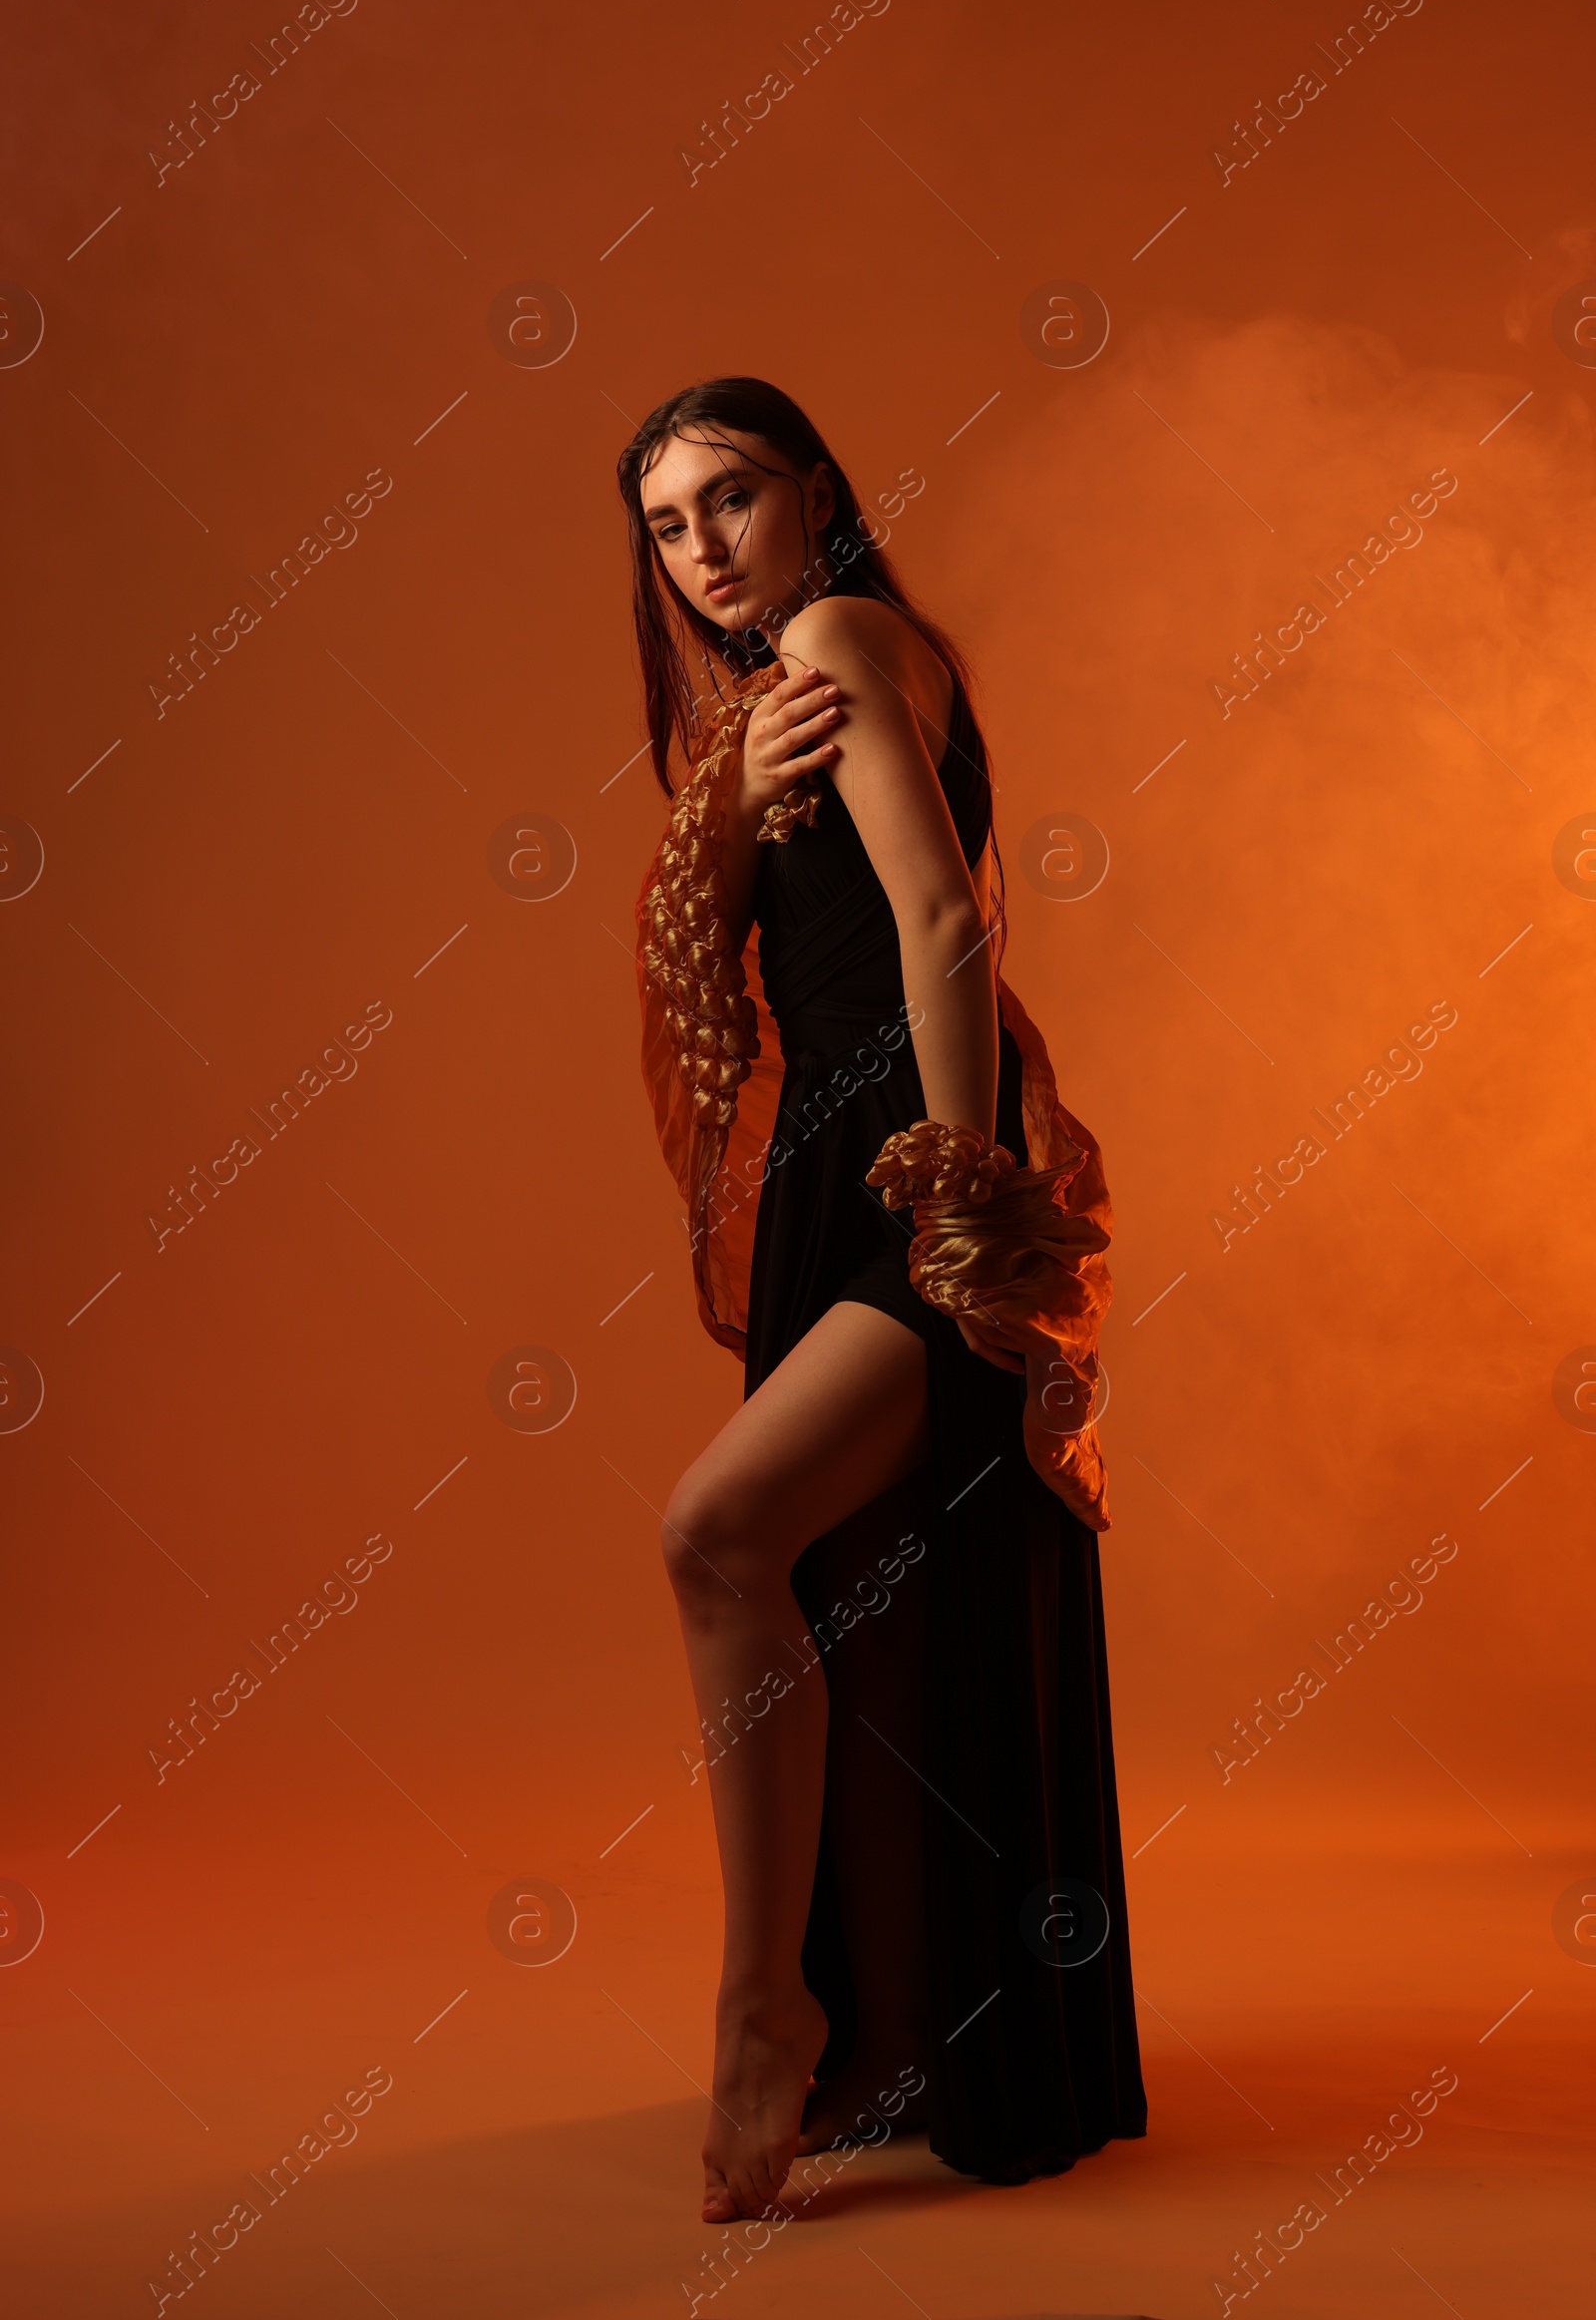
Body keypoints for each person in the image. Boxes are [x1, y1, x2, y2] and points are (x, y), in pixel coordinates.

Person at [619, 378, 1146, 2225]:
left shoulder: (840, 632)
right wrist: (725, 810)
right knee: (844, 1587)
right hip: (835, 1190)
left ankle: (768, 2005)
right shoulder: (767, 702)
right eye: (671, 527)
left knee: (718, 1535)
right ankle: (896, 2025)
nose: (705, 552)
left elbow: (940, 920)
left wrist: (953, 1192)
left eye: (734, 500)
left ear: (818, 490)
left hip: (914, 1176)